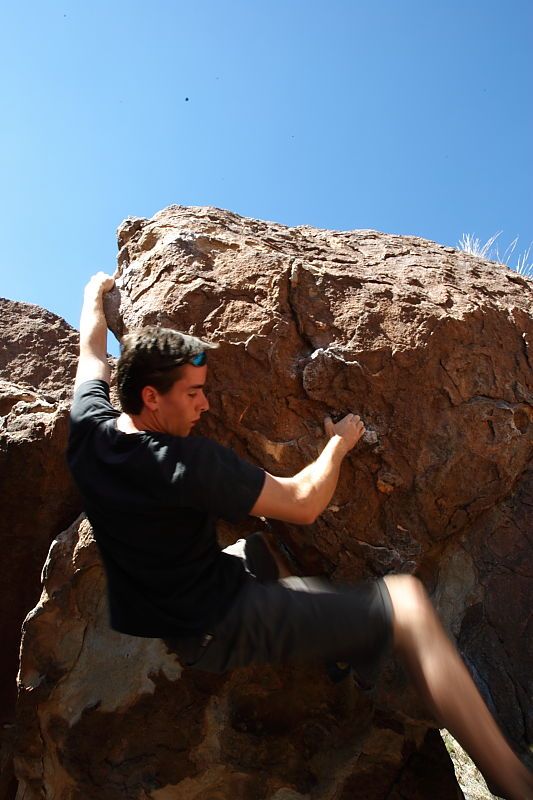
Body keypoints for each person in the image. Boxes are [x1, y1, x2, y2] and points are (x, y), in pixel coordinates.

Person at [68, 272, 532, 800]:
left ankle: (335, 647)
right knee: (407, 605)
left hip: (174, 607)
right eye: (194, 394)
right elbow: (303, 503)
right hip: (219, 623)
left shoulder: (89, 425)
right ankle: (511, 780)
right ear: (151, 397)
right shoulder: (188, 464)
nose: (206, 406)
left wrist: (93, 294)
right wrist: (339, 444)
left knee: (262, 548)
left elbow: (91, 350)